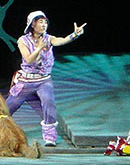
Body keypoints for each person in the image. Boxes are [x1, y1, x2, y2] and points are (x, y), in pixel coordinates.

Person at [6, 10, 85, 146]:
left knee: (49, 103)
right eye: (40, 22)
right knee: (10, 105)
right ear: (32, 24)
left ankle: (50, 137)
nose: (44, 25)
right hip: (26, 80)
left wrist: (74, 35)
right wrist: (39, 48)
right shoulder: (23, 41)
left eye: (45, 22)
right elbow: (29, 59)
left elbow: (60, 41)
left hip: (43, 80)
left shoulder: (48, 39)